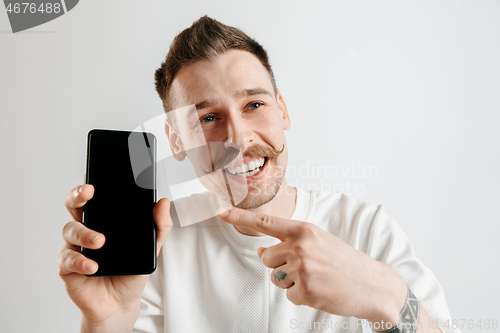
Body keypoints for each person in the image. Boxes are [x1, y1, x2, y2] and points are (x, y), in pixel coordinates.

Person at [59, 16, 460, 333]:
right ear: (176, 140)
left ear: (282, 110)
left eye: (253, 105)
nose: (238, 137)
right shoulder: (158, 246)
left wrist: (386, 296)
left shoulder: (365, 228)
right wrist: (103, 325)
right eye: (209, 117)